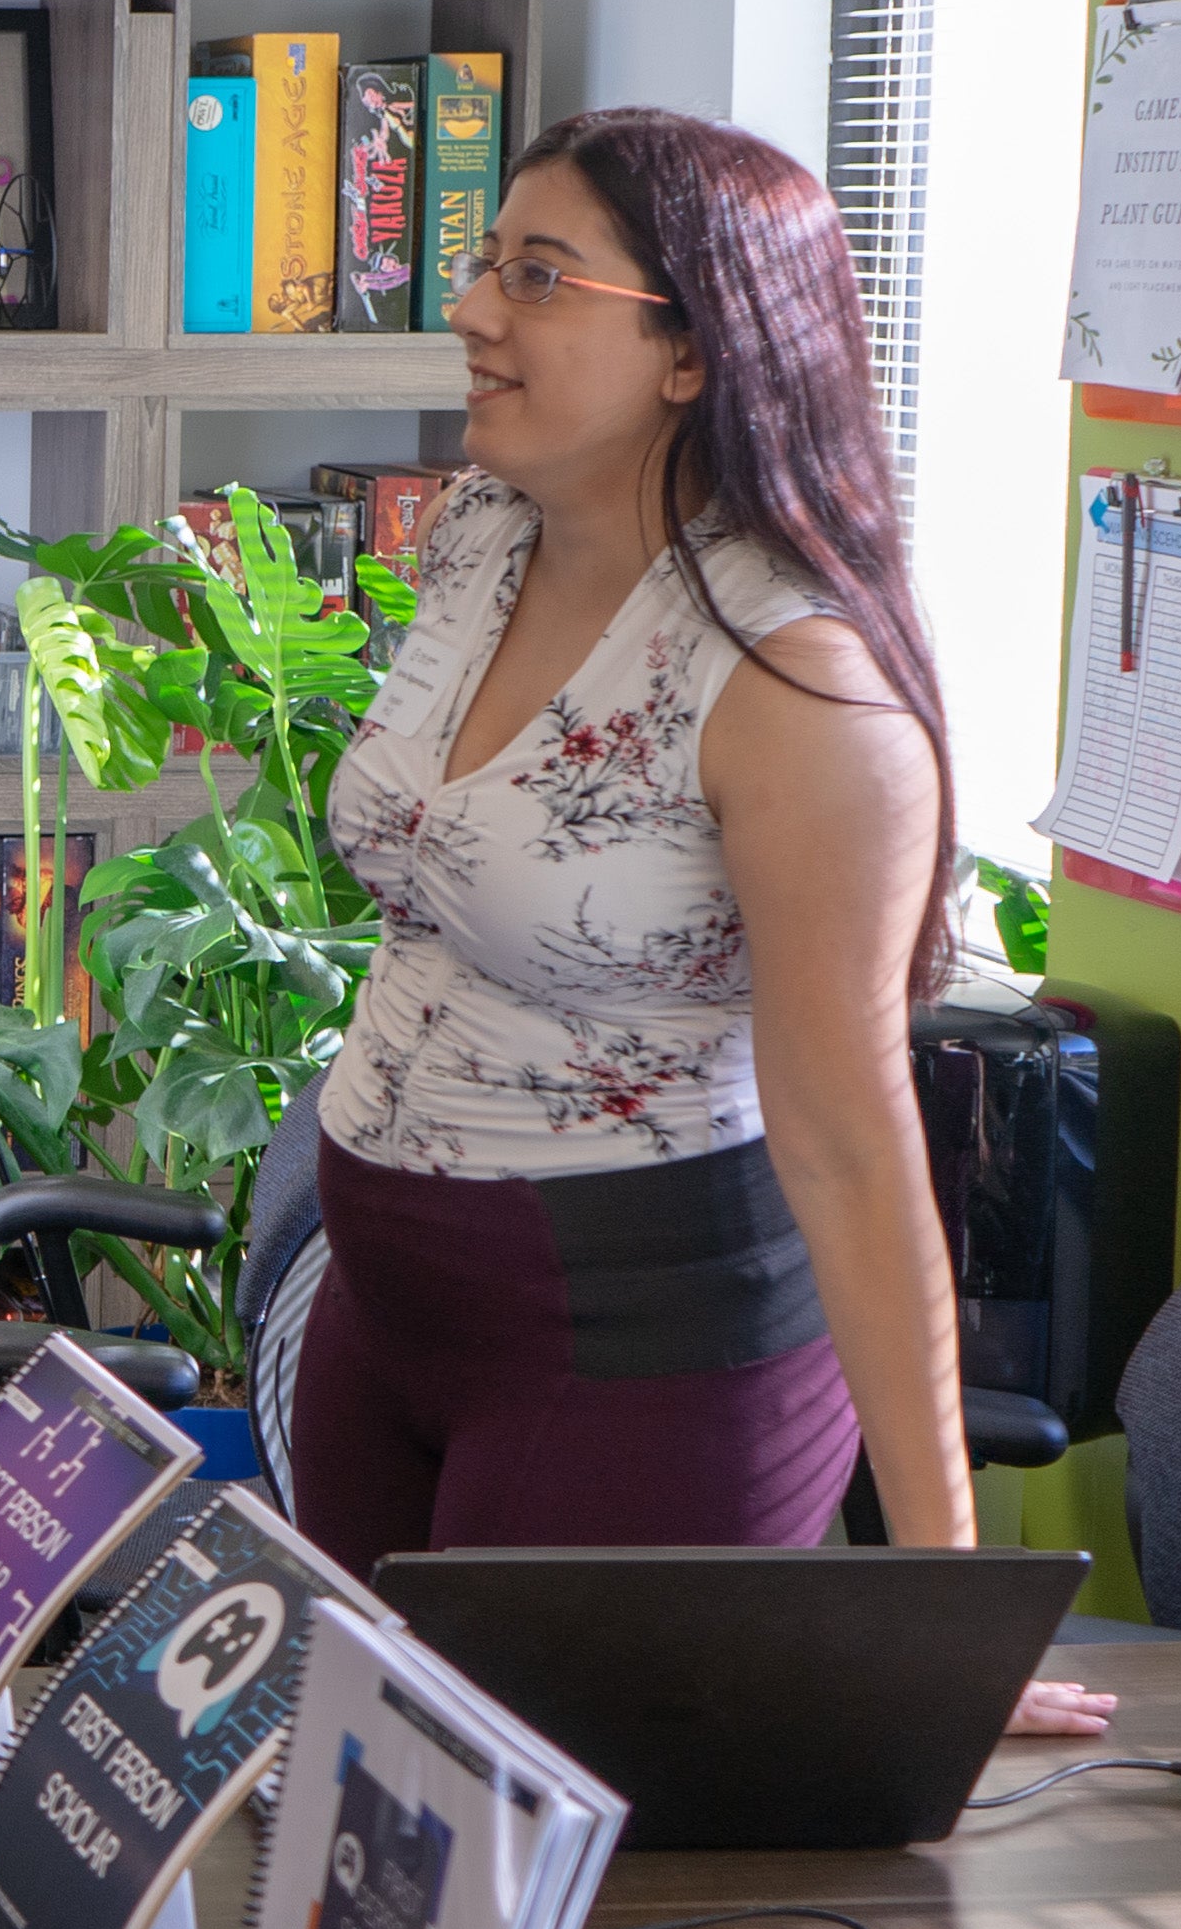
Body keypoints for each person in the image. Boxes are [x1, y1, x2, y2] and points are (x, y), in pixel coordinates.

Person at [287, 108, 1111, 1736]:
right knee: (363, 1820)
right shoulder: (478, 536)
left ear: (690, 352)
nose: (473, 307)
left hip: (634, 1338)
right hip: (388, 1299)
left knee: (555, 1873)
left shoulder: (794, 688)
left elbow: (854, 1153)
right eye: (481, 261)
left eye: (539, 275)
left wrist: (951, 1606)